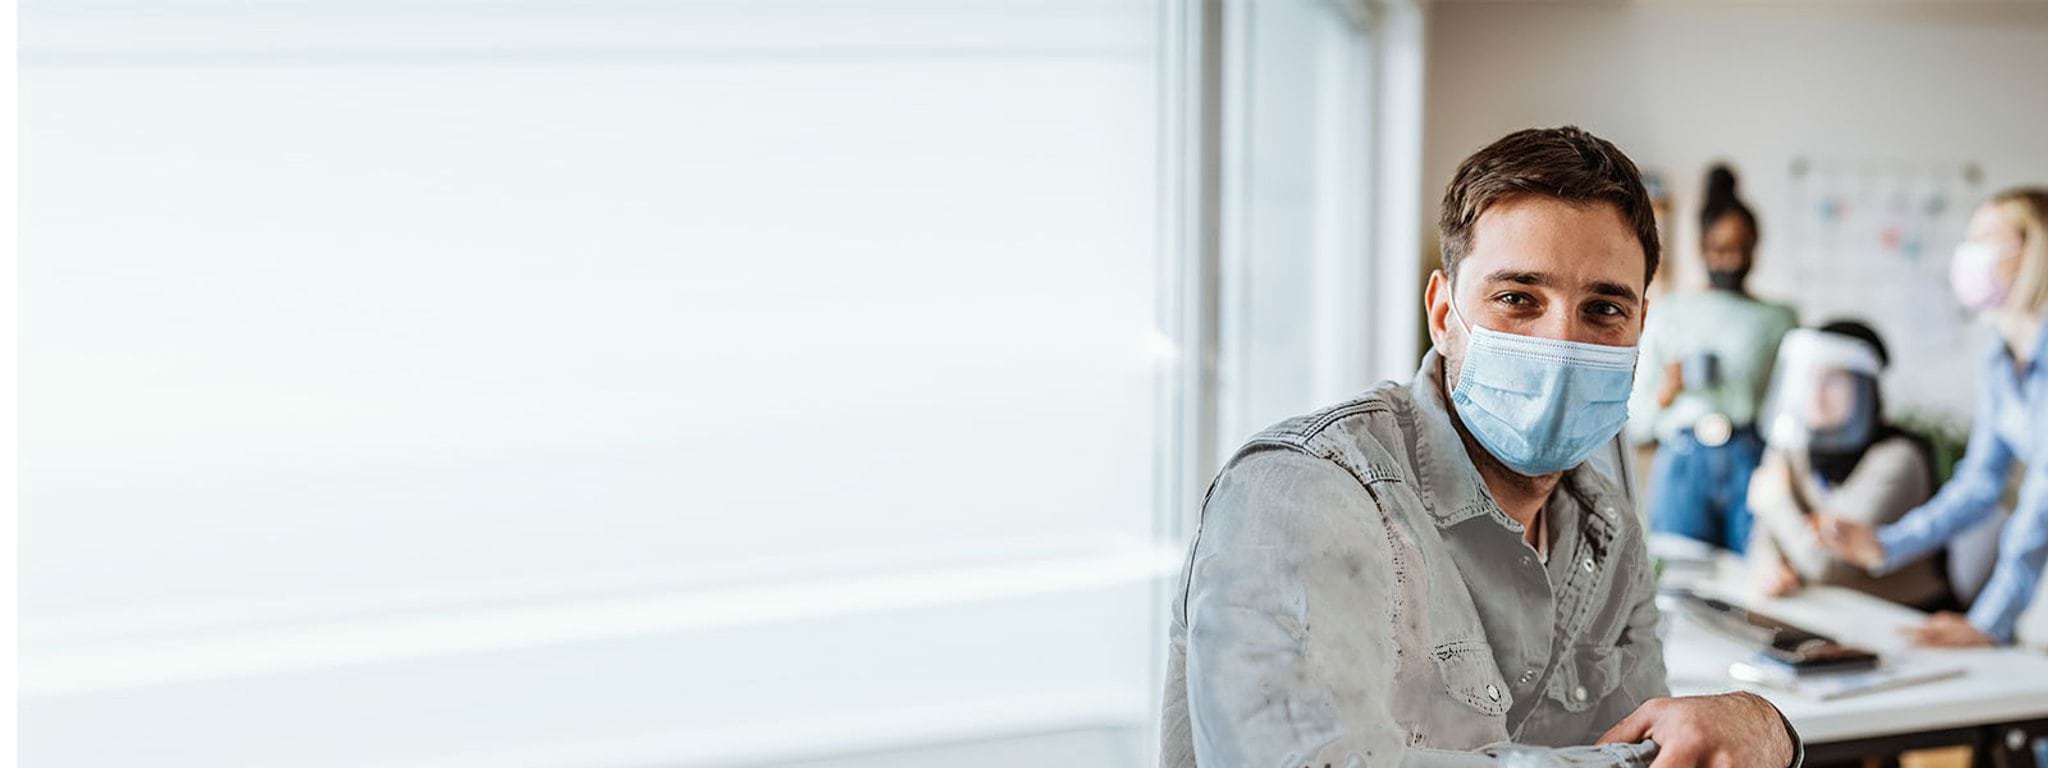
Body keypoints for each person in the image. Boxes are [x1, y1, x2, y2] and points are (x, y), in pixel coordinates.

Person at [1157, 127, 1798, 767]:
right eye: (1517, 298)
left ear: (1640, 328)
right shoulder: (1303, 491)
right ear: (1443, 315)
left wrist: (1765, 726)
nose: (1560, 344)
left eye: (1604, 309)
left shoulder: (1611, 534)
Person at [1820, 188, 2048, 648]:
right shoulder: (1998, 359)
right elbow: (1979, 483)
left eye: (1986, 238)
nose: (1969, 254)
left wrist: (1989, 622)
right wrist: (1888, 544)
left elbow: (2041, 500)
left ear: (2034, 250)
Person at [1628, 166, 1798, 553]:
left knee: (1756, 570)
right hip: (1683, 460)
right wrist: (1669, 390)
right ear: (1702, 249)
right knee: (1678, 571)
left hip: (1751, 458)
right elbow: (1637, 422)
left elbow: (1790, 406)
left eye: (1741, 248)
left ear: (1755, 248)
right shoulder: (1670, 312)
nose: (1730, 260)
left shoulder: (1778, 319)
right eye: (1720, 249)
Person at [1745, 321, 1951, 609]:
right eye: (1809, 379)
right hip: (1822, 611)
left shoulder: (1898, 458)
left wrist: (1776, 501)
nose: (1816, 395)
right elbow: (1764, 534)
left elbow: (1828, 566)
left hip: (1901, 614)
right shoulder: (1795, 448)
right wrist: (1770, 566)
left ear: (1864, 388)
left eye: (1832, 380)